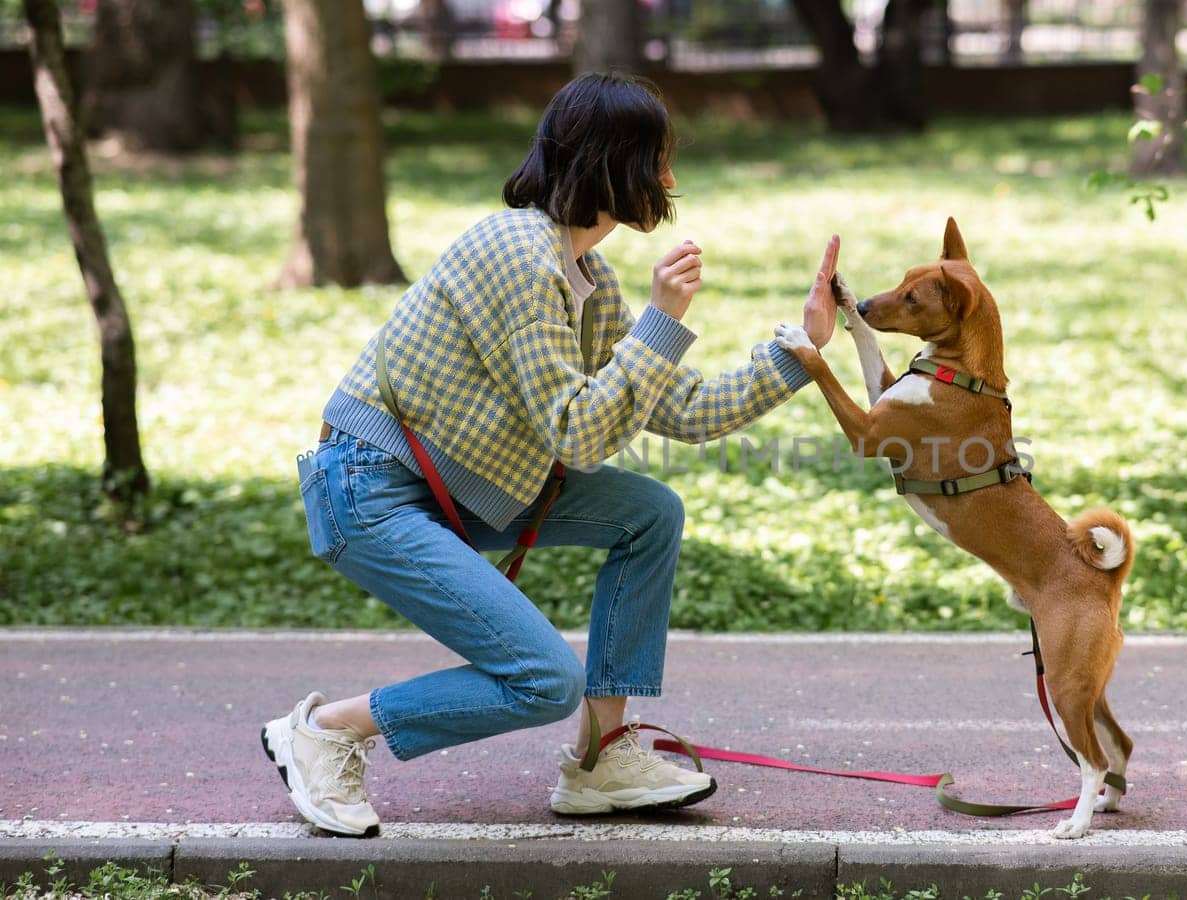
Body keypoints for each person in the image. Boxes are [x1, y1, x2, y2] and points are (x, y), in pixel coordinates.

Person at [264, 72, 841, 836]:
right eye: (658, 158)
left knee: (649, 512)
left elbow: (685, 408)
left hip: (457, 491)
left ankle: (602, 760)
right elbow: (579, 433)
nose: (670, 180)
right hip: (369, 491)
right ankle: (326, 731)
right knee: (541, 680)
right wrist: (663, 319)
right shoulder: (517, 256)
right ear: (612, 163)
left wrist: (804, 350)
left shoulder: (588, 280)